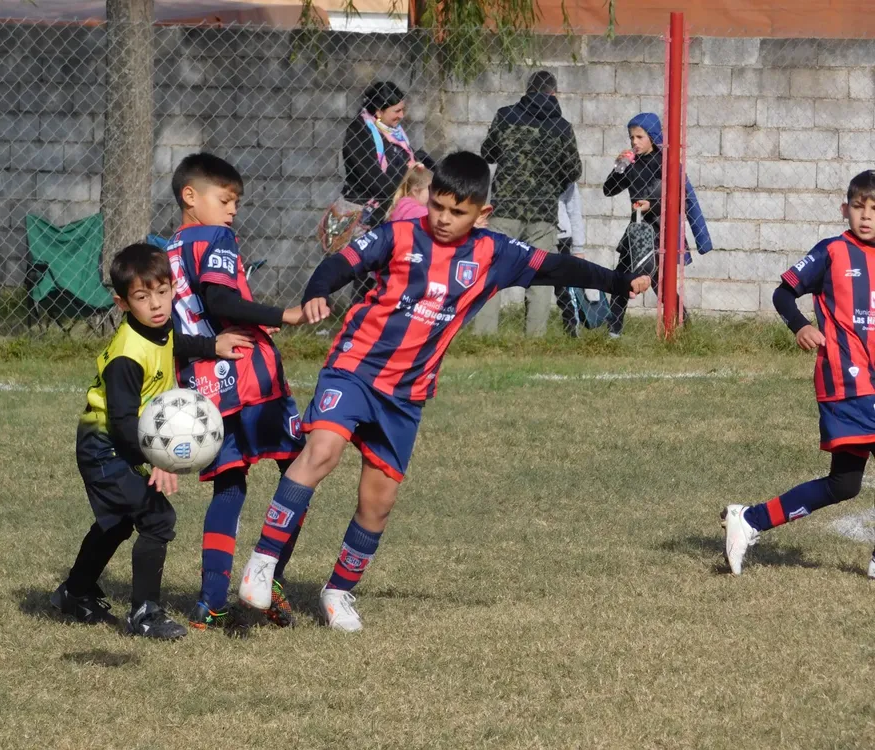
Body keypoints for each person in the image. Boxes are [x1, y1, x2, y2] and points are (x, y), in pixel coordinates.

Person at [236, 151, 650, 631]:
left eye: (457, 212)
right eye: (437, 207)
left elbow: (559, 267)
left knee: (378, 501)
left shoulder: (495, 254)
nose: (444, 219)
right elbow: (341, 263)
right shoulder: (399, 235)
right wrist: (316, 292)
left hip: (407, 394)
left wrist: (619, 282)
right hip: (354, 369)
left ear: (482, 214)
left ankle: (339, 591)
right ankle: (262, 563)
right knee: (322, 452)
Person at [51, 243, 253, 639]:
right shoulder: (127, 355)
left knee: (119, 522)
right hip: (104, 444)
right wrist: (156, 459)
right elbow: (123, 421)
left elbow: (174, 340)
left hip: (118, 443)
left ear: (173, 287)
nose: (157, 304)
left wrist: (213, 346)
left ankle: (74, 593)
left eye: (162, 292)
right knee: (157, 518)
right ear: (122, 303)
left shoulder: (158, 327)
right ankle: (144, 613)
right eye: (143, 297)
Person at [167, 152, 309, 633]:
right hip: (251, 376)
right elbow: (222, 299)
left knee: (230, 488)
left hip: (205, 388)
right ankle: (270, 578)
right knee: (302, 473)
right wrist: (282, 314)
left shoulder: (166, 252)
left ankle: (211, 603)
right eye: (224, 199)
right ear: (191, 197)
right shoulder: (216, 238)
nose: (232, 211)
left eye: (235, 203)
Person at [723, 170, 875, 576]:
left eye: (874, 209)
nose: (866, 216)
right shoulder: (832, 252)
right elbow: (783, 292)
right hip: (847, 381)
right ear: (845, 209)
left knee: (844, 485)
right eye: (859, 207)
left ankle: (749, 520)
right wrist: (801, 325)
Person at [479, 70, 583, 336]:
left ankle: (485, 337)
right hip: (543, 213)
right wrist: (550, 183)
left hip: (505, 208)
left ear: (528, 90)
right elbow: (573, 171)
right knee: (540, 277)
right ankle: (534, 339)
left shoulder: (505, 115)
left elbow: (488, 153)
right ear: (553, 93)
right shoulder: (561, 126)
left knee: (492, 271)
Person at [320, 81, 432, 302]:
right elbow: (374, 179)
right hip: (361, 212)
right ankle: (332, 306)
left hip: (385, 208)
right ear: (379, 111)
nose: (402, 115)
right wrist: (408, 172)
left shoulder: (393, 132)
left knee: (374, 268)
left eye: (403, 109)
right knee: (358, 265)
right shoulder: (360, 132)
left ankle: (365, 309)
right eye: (397, 110)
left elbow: (408, 158)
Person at [603, 112, 712, 338]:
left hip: (661, 231)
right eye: (631, 137)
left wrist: (651, 205)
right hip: (636, 232)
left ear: (652, 136)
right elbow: (608, 190)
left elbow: (683, 197)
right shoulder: (631, 163)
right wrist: (618, 167)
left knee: (661, 284)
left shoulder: (667, 163)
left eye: (640, 137)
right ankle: (613, 332)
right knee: (622, 277)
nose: (634, 142)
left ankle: (683, 329)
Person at [554, 182, 586, 337]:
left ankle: (572, 332)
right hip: (533, 234)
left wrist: (578, 248)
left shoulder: (567, 174)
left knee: (564, 289)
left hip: (561, 237)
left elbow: (574, 211)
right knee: (534, 286)